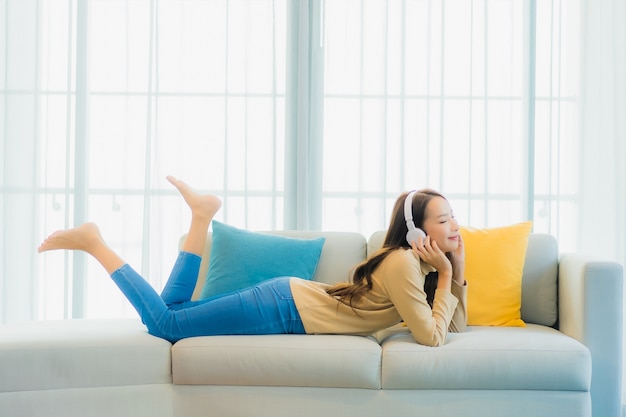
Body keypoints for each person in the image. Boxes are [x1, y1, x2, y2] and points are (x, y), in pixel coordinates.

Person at [38, 176, 467, 347]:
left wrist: (456, 268)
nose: (454, 227)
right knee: (165, 326)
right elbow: (432, 338)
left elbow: (453, 326)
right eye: (443, 220)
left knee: (173, 315)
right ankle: (96, 243)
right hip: (283, 307)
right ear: (417, 232)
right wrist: (447, 273)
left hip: (286, 303)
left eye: (453, 218)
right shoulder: (404, 264)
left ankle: (201, 216)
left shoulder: (423, 267)